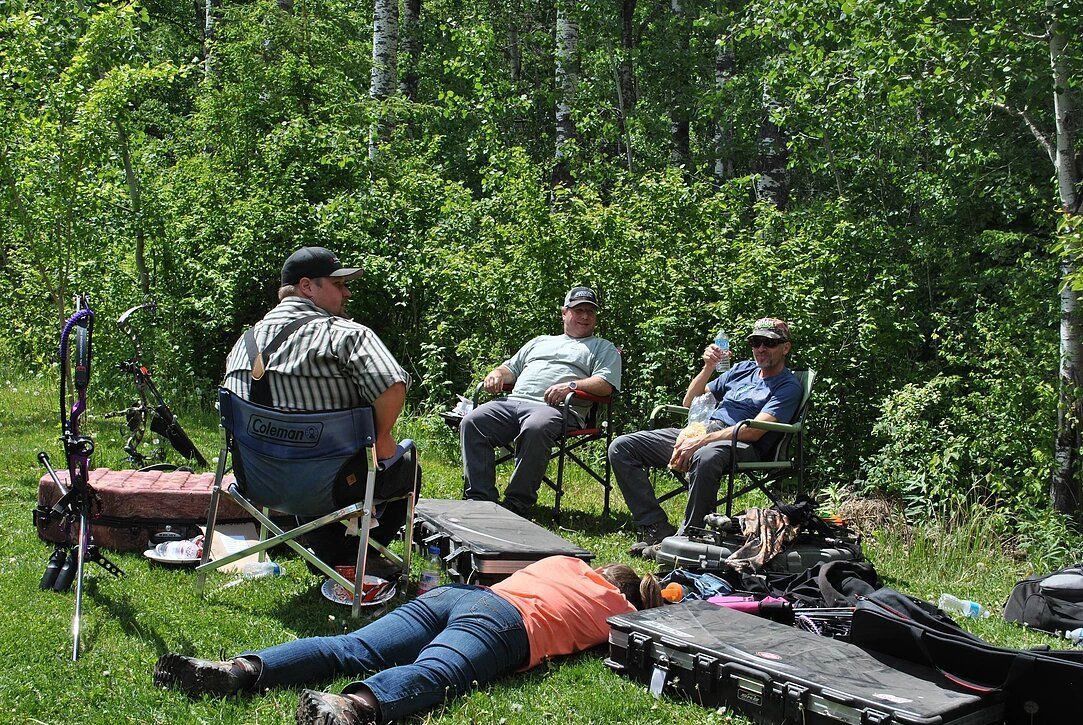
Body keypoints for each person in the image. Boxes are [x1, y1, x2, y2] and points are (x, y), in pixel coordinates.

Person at [153, 556, 663, 723]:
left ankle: (238, 671)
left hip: (459, 596)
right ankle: (349, 707)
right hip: (507, 625)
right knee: (441, 671)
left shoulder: (565, 562)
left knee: (348, 646)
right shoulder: (620, 613)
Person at [221, 246, 419, 572]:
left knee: (316, 459)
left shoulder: (243, 343)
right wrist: (383, 436)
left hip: (257, 483)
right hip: (333, 488)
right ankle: (351, 555)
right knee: (405, 463)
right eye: (338, 284)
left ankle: (331, 552)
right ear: (307, 286)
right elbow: (392, 385)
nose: (347, 292)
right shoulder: (345, 335)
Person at [609, 318, 803, 558]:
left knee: (705, 455)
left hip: (742, 443)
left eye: (769, 343)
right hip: (704, 431)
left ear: (785, 347)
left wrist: (701, 442)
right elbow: (690, 400)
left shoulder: (788, 386)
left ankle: (689, 537)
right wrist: (708, 367)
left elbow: (753, 430)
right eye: (756, 342)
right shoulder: (742, 370)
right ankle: (655, 526)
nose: (761, 349)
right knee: (623, 447)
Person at [459, 287, 621, 516]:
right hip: (512, 402)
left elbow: (606, 384)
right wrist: (496, 373)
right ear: (564, 313)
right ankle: (480, 498)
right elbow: (510, 369)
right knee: (473, 421)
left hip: (557, 409)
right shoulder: (540, 341)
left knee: (536, 426)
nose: (585, 316)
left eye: (590, 312)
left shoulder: (603, 347)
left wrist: (572, 386)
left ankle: (517, 503)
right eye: (579, 310)